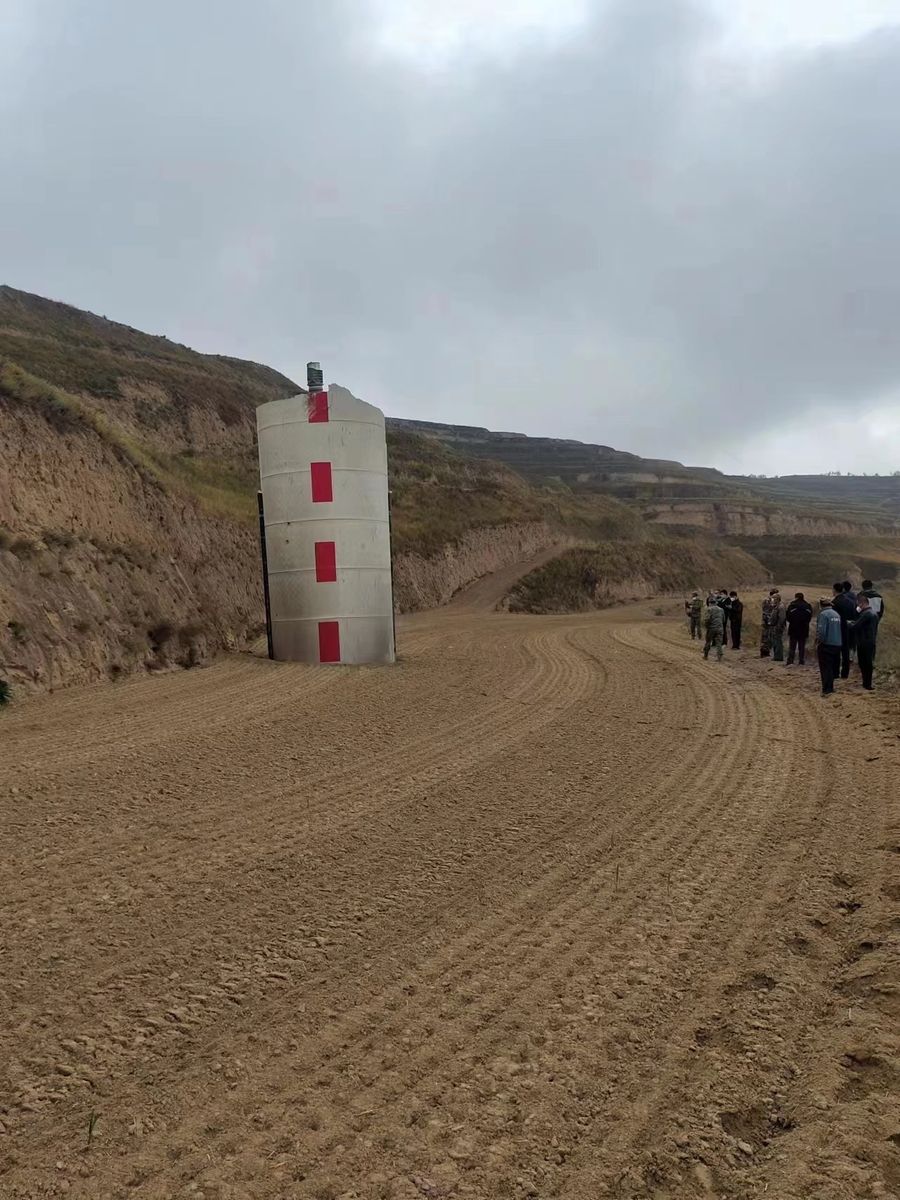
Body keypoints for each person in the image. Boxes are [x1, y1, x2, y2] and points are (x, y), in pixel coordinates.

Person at [849, 595, 878, 691]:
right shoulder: (874, 613)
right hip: (871, 641)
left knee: (864, 663)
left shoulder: (865, 614)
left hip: (863, 642)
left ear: (861, 603)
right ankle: (867, 683)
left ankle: (867, 683)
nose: (858, 606)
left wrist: (848, 623)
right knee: (868, 663)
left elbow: (855, 626)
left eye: (858, 604)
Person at [816, 598, 842, 696]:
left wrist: (819, 642)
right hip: (837, 644)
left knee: (825, 668)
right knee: (831, 667)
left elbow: (822, 632)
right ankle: (831, 687)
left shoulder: (823, 614)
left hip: (826, 645)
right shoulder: (836, 614)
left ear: (821, 605)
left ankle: (826, 689)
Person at [832, 582, 856, 680]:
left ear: (834, 590)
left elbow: (834, 618)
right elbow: (854, 615)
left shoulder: (835, 602)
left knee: (836, 652)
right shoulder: (851, 602)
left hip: (838, 629)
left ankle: (836, 673)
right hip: (849, 628)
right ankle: (845, 674)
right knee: (846, 652)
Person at [785, 592, 813, 665]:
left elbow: (788, 617)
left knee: (792, 646)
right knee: (802, 646)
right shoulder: (808, 606)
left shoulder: (792, 606)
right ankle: (801, 661)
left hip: (793, 628)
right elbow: (809, 618)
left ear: (796, 597)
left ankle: (790, 660)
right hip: (804, 629)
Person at [768, 589, 787, 662]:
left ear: (777, 599)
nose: (772, 599)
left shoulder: (781, 607)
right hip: (774, 626)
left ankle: (778, 657)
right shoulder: (776, 606)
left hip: (778, 627)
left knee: (778, 641)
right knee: (775, 641)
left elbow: (782, 618)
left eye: (773, 598)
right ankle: (776, 655)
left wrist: (778, 627)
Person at [760, 590, 775, 657]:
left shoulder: (768, 600)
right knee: (766, 637)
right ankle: (764, 652)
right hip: (767, 621)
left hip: (767, 621)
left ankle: (766, 651)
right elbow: (766, 612)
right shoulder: (768, 601)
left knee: (766, 637)